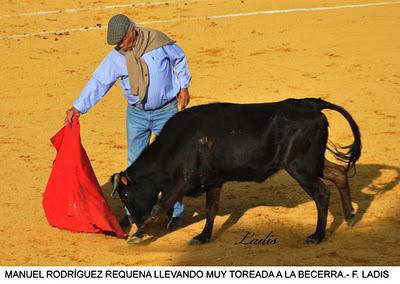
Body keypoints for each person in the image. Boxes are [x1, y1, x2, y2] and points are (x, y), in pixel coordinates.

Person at [65, 14, 191, 231]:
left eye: (122, 40)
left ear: (132, 30)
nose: (120, 46)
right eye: (118, 43)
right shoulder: (116, 57)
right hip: (137, 115)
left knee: (172, 162)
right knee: (135, 166)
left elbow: (179, 58)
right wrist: (78, 106)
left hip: (166, 111)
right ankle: (133, 212)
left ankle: (176, 213)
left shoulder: (157, 42)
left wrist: (183, 85)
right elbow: (99, 82)